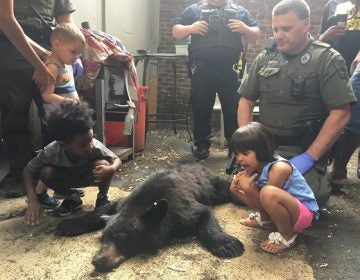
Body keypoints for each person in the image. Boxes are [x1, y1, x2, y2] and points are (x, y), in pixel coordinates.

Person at [237, 0, 356, 206]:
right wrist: (246, 144)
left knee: (308, 199)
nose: (279, 35)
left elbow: (341, 113)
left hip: (302, 149)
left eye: (286, 28)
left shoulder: (326, 58)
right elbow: (246, 101)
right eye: (275, 29)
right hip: (266, 146)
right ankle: (264, 199)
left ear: (306, 24)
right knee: (237, 188)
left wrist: (310, 157)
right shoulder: (265, 57)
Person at [0, 0, 76, 198]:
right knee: (14, 116)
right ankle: (22, 176)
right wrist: (41, 61)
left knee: (59, 116)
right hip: (12, 50)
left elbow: (65, 23)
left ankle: (59, 172)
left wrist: (71, 54)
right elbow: (5, 18)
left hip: (47, 53)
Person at [172, 0, 260, 159]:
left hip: (231, 69)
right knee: (201, 106)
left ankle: (235, 149)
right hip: (202, 68)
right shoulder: (194, 10)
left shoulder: (239, 11)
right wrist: (191, 28)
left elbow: (256, 35)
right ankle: (201, 146)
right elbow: (176, 32)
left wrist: (245, 28)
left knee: (233, 109)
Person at [23, 101, 122, 225]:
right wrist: (33, 200)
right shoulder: (51, 151)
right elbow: (28, 171)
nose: (90, 146)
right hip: (68, 180)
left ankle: (102, 198)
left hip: (89, 176)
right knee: (45, 172)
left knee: (103, 163)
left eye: (91, 140)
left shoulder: (95, 146)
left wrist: (112, 169)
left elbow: (117, 160)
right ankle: (72, 198)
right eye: (82, 145)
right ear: (64, 145)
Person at [230, 122, 319, 254]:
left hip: (303, 214)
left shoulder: (279, 168)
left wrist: (248, 189)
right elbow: (260, 203)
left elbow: (265, 199)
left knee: (267, 192)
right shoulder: (254, 168)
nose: (239, 159)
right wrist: (237, 191)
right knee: (260, 191)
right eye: (237, 154)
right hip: (286, 212)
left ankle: (287, 235)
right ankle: (266, 221)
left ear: (261, 149)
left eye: (245, 153)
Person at [319, 0, 360, 191]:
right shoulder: (332, 4)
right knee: (347, 117)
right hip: (335, 66)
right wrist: (327, 35)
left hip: (357, 64)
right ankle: (337, 165)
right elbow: (318, 40)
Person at [0, 0, 54, 91]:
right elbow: (4, 19)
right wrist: (40, 63)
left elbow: (65, 18)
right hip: (10, 47)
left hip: (46, 44)